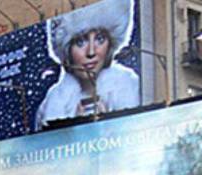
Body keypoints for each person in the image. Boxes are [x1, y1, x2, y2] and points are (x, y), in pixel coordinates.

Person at [34, 0, 139, 128]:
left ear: (111, 43)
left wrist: (109, 123)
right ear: (67, 49)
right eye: (80, 42)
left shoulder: (130, 87)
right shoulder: (52, 105)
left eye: (100, 39)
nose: (91, 52)